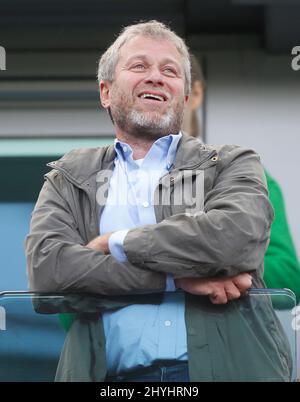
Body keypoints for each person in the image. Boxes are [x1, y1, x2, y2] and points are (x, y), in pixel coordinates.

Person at [25, 20, 291, 382]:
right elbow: (50, 273)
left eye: (170, 70)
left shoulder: (232, 162)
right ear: (105, 91)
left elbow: (234, 241)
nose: (156, 76)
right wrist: (175, 280)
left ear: (184, 97)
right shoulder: (68, 177)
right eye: (139, 66)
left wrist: (115, 243)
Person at [184, 54, 300, 302]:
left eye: (170, 76)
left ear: (195, 94)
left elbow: (290, 280)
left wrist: (211, 266)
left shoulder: (243, 174)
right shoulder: (108, 179)